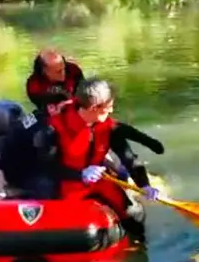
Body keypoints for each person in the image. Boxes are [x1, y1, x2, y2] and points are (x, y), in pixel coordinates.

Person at [33, 78, 163, 229]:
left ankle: (134, 245)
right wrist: (80, 175)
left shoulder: (109, 128)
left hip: (100, 181)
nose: (112, 111)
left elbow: (128, 158)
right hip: (67, 184)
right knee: (70, 224)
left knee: (135, 214)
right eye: (109, 106)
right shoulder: (52, 130)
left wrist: (145, 185)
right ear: (94, 108)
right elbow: (47, 168)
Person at [26, 48, 84, 113]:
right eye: (58, 72)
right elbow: (42, 106)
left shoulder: (73, 70)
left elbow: (84, 95)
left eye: (64, 68)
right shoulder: (34, 85)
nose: (63, 73)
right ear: (45, 71)